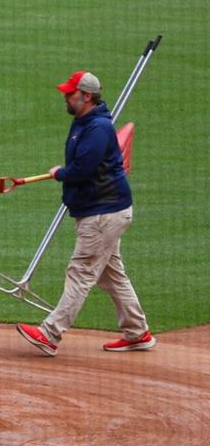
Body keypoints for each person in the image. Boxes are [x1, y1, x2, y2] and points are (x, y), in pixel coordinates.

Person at [16, 71, 154, 356]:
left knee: (80, 273)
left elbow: (82, 170)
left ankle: (49, 333)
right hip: (105, 210)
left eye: (70, 93)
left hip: (103, 214)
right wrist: (64, 172)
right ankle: (137, 332)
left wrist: (61, 173)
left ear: (86, 96)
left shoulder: (97, 128)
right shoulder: (85, 123)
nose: (66, 98)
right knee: (111, 275)